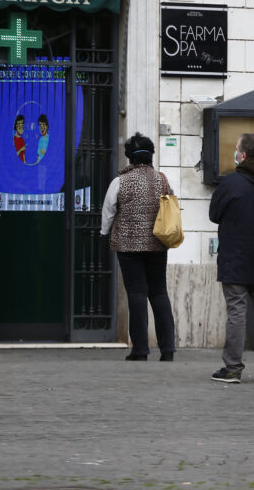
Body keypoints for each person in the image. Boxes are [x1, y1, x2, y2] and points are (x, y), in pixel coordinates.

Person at [208, 133, 254, 383]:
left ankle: (232, 369)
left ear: (243, 155)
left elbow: (214, 214)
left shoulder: (231, 183)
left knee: (237, 312)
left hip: (235, 257)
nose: (235, 152)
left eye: (237, 148)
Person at [100, 133, 176, 362]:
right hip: (157, 244)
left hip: (127, 245)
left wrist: (104, 232)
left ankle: (140, 350)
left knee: (136, 293)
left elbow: (108, 212)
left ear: (129, 158)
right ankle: (168, 349)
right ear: (151, 155)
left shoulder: (120, 181)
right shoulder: (161, 179)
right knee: (159, 293)